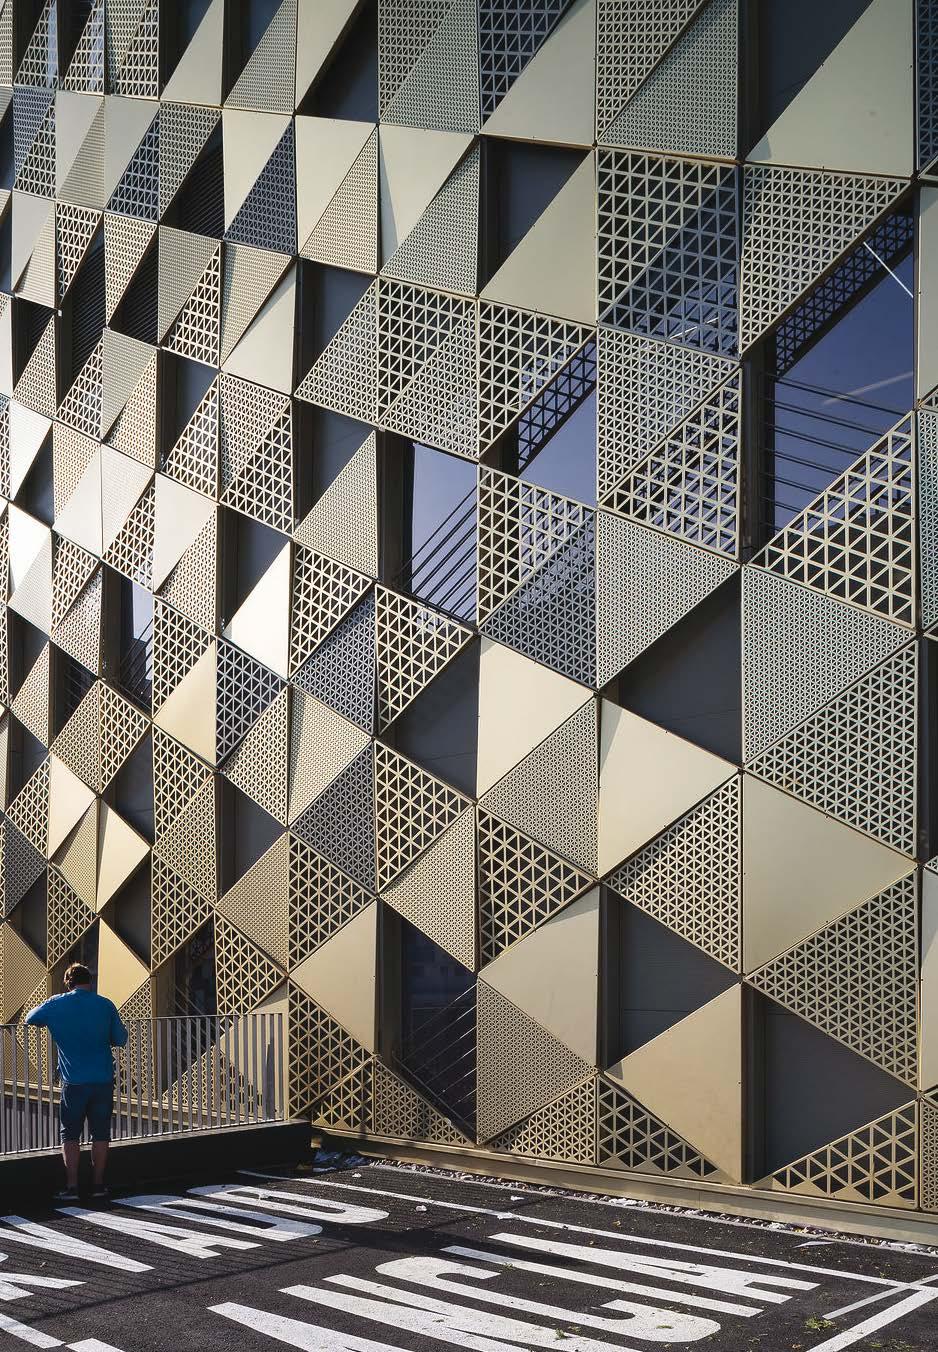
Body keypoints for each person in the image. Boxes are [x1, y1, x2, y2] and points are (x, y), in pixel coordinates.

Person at [25, 964, 128, 1201]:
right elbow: (120, 1039)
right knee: (100, 1133)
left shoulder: (56, 1003)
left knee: (70, 1134)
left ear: (68, 982)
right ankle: (98, 1185)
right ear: (90, 982)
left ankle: (72, 1187)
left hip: (74, 1081)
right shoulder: (105, 1004)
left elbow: (31, 1018)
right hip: (102, 1079)